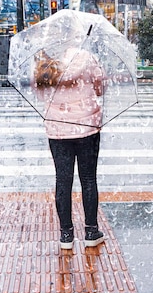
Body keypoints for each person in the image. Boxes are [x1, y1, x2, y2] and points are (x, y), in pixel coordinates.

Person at [35, 47, 106, 250]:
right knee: (89, 178)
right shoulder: (86, 57)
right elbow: (100, 88)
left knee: (63, 180)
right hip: (87, 127)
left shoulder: (44, 60)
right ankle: (91, 231)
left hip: (58, 130)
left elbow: (40, 95)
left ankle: (66, 234)